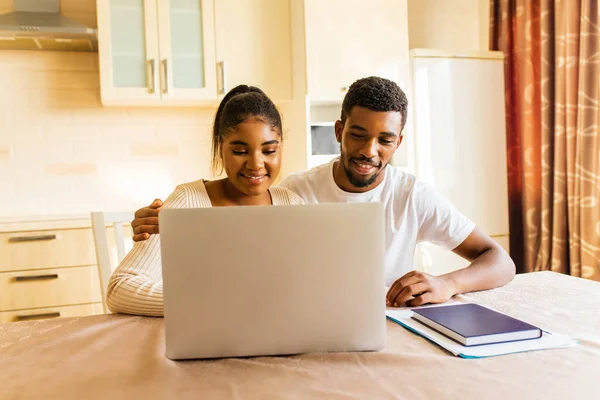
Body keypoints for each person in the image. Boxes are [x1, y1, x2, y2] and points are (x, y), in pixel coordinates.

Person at [130, 77, 516, 309]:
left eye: (384, 140)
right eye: (358, 135)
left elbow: (502, 262)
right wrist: (175, 223)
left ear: (399, 142)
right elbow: (241, 230)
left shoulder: (412, 194)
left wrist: (448, 283)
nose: (368, 151)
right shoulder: (293, 194)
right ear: (338, 131)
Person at [106, 85, 304, 316]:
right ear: (221, 148)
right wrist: (205, 302)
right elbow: (119, 288)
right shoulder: (188, 200)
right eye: (240, 151)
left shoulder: (293, 205)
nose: (256, 164)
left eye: (269, 151)